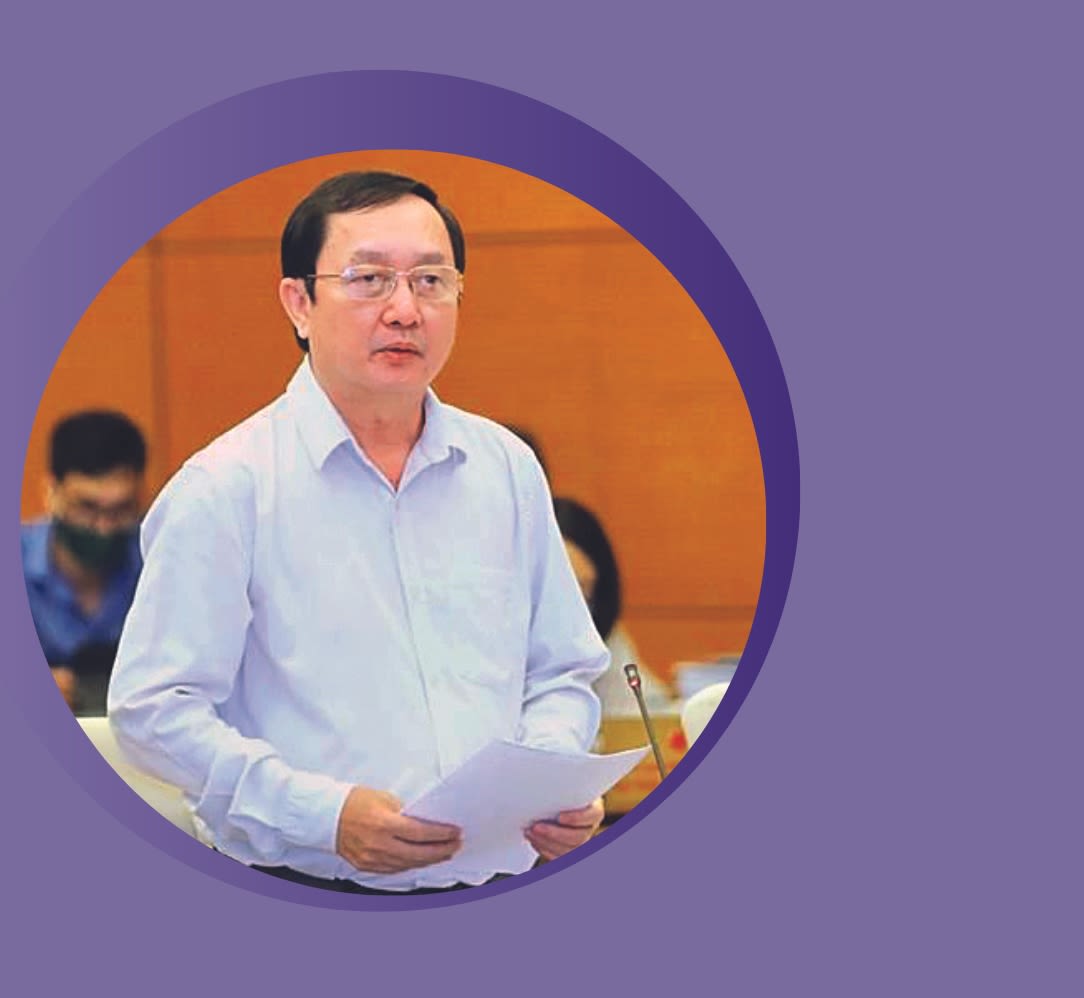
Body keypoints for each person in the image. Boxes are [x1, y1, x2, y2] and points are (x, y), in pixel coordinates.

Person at [108, 171, 608, 895]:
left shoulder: (505, 468)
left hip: (498, 876)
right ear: (299, 303)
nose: (405, 310)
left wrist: (548, 776)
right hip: (301, 883)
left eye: (431, 281)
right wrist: (322, 814)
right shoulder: (227, 486)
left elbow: (560, 670)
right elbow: (153, 710)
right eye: (369, 279)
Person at [22, 410, 147, 715]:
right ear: (51, 492)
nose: (103, 527)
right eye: (87, 507)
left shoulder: (159, 561)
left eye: (120, 509)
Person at [553, 497, 670, 718]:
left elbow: (642, 708)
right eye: (564, 589)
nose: (577, 609)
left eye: (585, 591)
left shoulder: (603, 632)